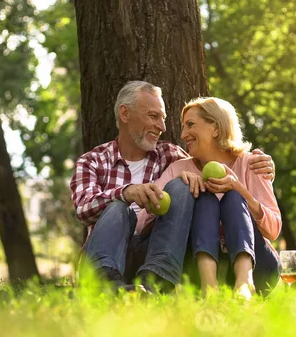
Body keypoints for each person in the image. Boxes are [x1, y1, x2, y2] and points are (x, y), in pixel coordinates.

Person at [70, 81, 275, 293]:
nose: (163, 127)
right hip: (109, 254)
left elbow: (209, 163)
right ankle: (105, 285)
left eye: (164, 118)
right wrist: (125, 193)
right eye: (153, 116)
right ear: (125, 113)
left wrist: (263, 170)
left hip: (151, 254)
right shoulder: (92, 161)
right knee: (117, 207)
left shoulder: (172, 156)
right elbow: (83, 210)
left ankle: (154, 283)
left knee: (184, 186)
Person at [136, 97, 281, 298]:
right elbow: (141, 223)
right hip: (195, 271)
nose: (183, 134)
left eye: (190, 125)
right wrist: (176, 190)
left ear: (215, 128)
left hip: (259, 269)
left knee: (232, 197)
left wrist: (241, 190)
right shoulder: (178, 169)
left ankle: (245, 283)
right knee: (205, 198)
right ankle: (209, 288)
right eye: (183, 126)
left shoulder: (252, 164)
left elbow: (273, 230)